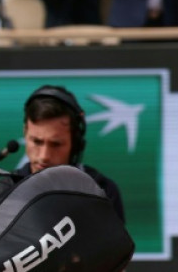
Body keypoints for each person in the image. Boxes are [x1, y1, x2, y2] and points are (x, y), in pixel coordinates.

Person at [11, 85, 126, 222]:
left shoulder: (101, 192)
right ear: (25, 133)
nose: (44, 156)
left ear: (75, 143)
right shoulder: (4, 191)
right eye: (37, 142)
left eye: (56, 144)